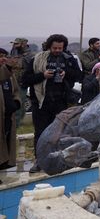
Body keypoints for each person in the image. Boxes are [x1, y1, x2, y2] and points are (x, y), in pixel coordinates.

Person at [22, 34, 82, 173]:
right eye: (55, 48)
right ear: (49, 46)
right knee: (40, 132)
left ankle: (57, 159)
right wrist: (42, 76)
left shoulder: (69, 59)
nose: (57, 50)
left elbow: (79, 75)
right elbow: (25, 79)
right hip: (41, 103)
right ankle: (39, 161)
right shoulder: (38, 59)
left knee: (59, 133)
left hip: (61, 102)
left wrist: (66, 73)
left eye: (60, 48)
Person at [0, 48, 21, 172]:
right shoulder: (5, 72)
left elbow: (16, 91)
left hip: (8, 115)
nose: (3, 59)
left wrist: (16, 102)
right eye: (0, 56)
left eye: (4, 56)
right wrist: (8, 67)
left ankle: (4, 167)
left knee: (6, 142)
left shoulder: (9, 75)